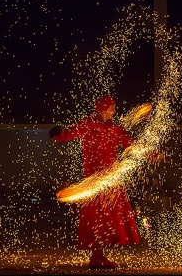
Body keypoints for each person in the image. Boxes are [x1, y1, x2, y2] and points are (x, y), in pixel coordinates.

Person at [49, 94, 141, 269]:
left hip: (111, 181)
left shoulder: (114, 128)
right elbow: (69, 134)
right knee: (99, 218)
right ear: (102, 109)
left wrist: (151, 154)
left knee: (112, 218)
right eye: (111, 108)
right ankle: (97, 256)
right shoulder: (88, 124)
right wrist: (58, 134)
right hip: (94, 183)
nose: (114, 111)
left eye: (113, 107)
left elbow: (130, 144)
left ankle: (99, 255)